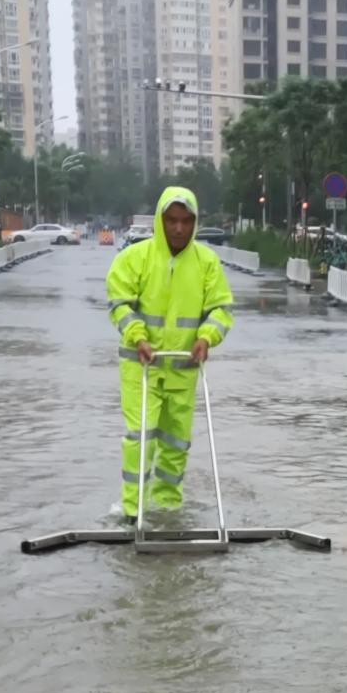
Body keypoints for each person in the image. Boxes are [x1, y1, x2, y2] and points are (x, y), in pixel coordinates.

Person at [104, 187, 234, 519]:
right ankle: (131, 509)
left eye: (186, 221)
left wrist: (206, 338)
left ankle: (166, 506)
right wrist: (137, 336)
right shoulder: (134, 258)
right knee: (141, 436)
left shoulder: (207, 263)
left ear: (194, 223)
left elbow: (220, 310)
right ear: (160, 222)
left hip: (184, 368)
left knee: (176, 442)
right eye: (172, 220)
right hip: (141, 366)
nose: (179, 228)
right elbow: (120, 304)